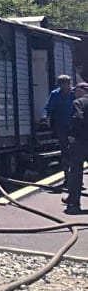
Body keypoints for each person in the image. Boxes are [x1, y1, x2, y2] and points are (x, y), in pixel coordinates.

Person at [41, 75, 74, 185]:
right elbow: (49, 107)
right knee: (65, 152)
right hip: (62, 127)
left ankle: (75, 177)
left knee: (76, 152)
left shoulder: (74, 94)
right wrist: (45, 116)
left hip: (75, 127)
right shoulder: (55, 94)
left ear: (69, 84)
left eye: (66, 84)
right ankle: (67, 177)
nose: (64, 87)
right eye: (62, 84)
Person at [64, 82, 88, 213]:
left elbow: (77, 118)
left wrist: (73, 135)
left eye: (76, 90)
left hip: (81, 142)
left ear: (81, 91)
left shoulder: (78, 103)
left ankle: (74, 203)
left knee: (76, 172)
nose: (74, 93)